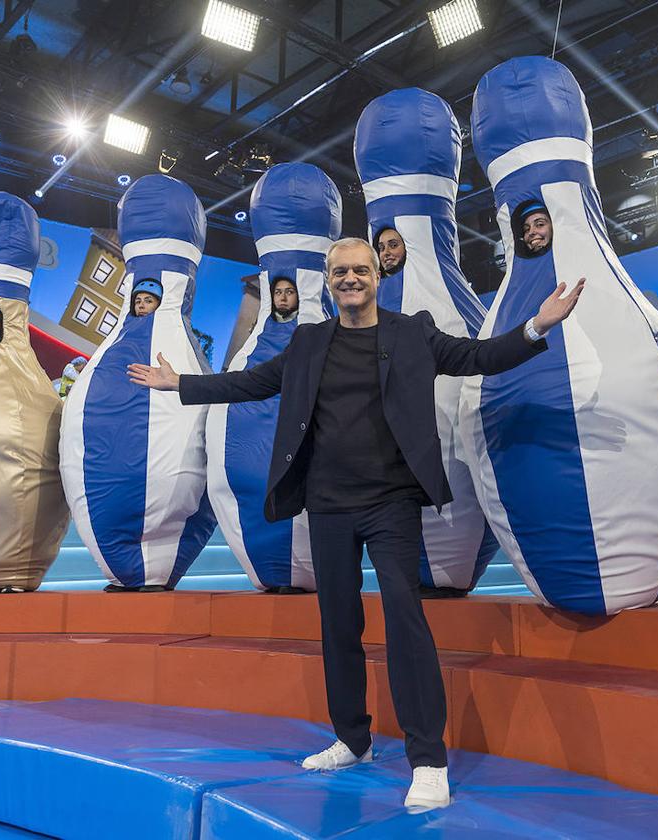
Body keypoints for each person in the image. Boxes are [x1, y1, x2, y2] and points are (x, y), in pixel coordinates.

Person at [128, 237, 584, 811]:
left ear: (376, 276)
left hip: (391, 501)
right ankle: (352, 738)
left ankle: (428, 759)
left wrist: (536, 327)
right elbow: (253, 383)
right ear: (329, 279)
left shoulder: (411, 333)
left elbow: (478, 358)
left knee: (405, 622)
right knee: (337, 624)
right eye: (340, 271)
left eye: (360, 270)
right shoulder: (309, 341)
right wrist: (181, 385)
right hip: (327, 505)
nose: (350, 278)